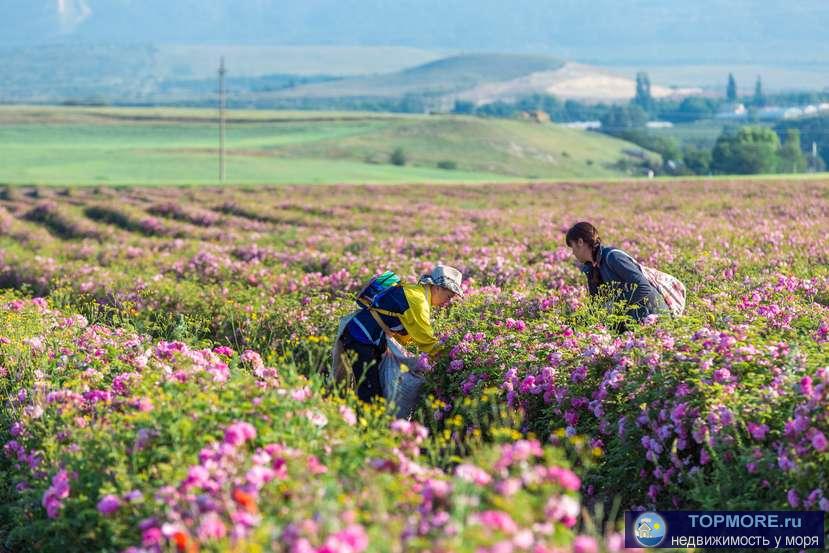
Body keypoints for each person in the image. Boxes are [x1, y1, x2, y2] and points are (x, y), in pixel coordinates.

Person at [339, 265, 463, 402]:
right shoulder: (418, 301)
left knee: (373, 390)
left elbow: (409, 337)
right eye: (449, 296)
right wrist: (450, 359)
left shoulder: (418, 293)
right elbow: (427, 342)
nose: (449, 301)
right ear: (438, 287)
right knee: (369, 392)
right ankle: (365, 421)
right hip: (361, 337)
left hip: (367, 338)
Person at [565, 222, 666, 324]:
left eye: (572, 246)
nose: (573, 252)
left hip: (652, 317)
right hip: (632, 321)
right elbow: (596, 307)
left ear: (580, 242)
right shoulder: (591, 268)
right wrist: (575, 322)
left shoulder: (613, 257)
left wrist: (613, 305)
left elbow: (643, 287)